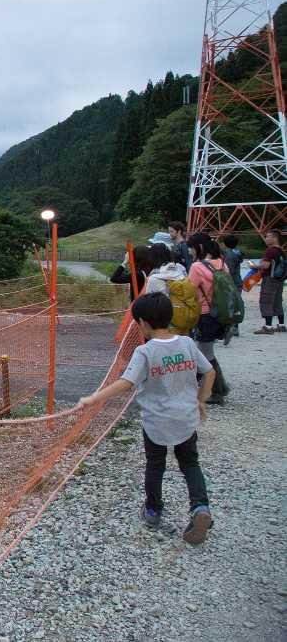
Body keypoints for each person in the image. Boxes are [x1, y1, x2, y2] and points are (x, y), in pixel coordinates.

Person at [76, 291, 214, 544]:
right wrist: (201, 400)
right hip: (186, 418)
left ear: (142, 323)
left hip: (157, 421)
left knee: (155, 464)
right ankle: (200, 507)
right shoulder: (186, 343)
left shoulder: (145, 352)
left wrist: (93, 398)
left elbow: (126, 383)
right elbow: (210, 371)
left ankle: (153, 509)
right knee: (190, 464)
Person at [187, 233, 229, 404]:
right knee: (206, 352)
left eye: (191, 247)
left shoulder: (197, 266)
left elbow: (188, 290)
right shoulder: (222, 263)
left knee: (205, 354)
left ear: (199, 247)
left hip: (205, 315)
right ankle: (216, 389)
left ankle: (217, 391)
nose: (189, 251)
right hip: (220, 314)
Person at [142, 243, 198, 336]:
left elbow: (149, 304)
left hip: (165, 325)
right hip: (183, 319)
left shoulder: (154, 278)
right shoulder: (180, 270)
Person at [253, 228, 285, 334]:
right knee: (277, 301)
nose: (266, 239)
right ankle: (281, 325)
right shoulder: (281, 251)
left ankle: (268, 327)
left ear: (274, 238)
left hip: (270, 278)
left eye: (268, 236)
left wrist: (254, 266)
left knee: (266, 301)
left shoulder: (270, 250)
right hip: (279, 279)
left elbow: (265, 265)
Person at [218, 234, 243, 340]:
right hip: (238, 281)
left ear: (224, 244)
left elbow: (229, 271)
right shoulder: (237, 253)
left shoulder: (228, 255)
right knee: (236, 305)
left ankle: (230, 328)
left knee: (229, 306)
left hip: (231, 283)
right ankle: (235, 327)